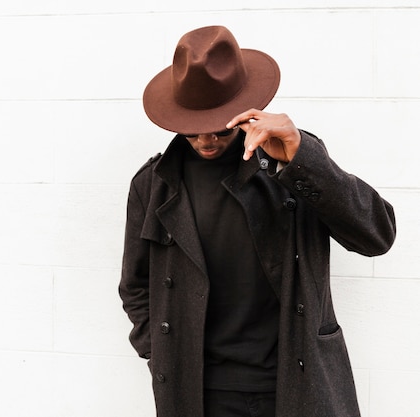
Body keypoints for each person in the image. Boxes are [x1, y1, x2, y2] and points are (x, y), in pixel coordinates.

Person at [118, 25, 396, 417]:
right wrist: (160, 350)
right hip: (199, 391)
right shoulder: (154, 184)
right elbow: (135, 285)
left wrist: (302, 157)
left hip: (296, 381)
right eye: (194, 131)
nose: (207, 141)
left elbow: (377, 236)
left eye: (218, 127)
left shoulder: (288, 161)